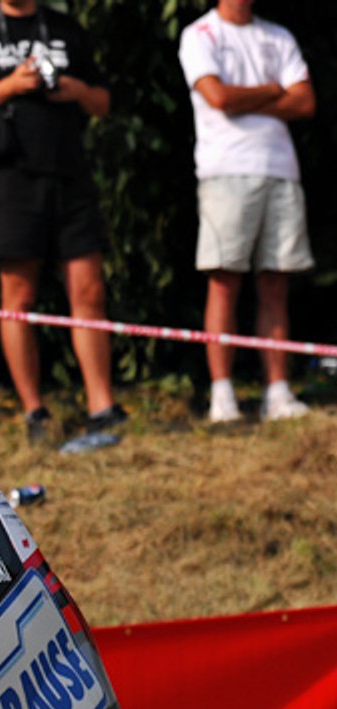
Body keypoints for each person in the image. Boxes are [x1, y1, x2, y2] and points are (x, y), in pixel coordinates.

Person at [0, 0, 128, 452]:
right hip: (10, 181)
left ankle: (101, 406)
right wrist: (10, 85)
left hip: (70, 176)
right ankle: (34, 411)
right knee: (18, 298)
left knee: (89, 293)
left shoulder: (66, 28)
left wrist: (75, 90)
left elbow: (103, 102)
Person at [179, 0, 317, 424]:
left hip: (280, 170)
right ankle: (223, 395)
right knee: (224, 280)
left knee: (275, 281)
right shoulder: (200, 35)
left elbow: (306, 102)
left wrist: (248, 99)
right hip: (225, 171)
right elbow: (218, 97)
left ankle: (277, 392)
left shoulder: (278, 36)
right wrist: (275, 89)